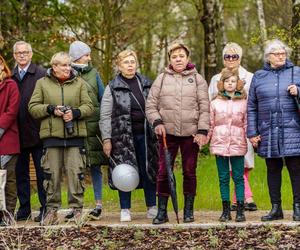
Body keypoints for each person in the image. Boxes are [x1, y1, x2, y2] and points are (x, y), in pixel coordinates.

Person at [146, 43, 210, 224]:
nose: (178, 59)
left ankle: (188, 211)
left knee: (189, 171)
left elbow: (205, 108)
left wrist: (202, 131)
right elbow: (150, 105)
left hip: (191, 134)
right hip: (168, 134)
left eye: (181, 56)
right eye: (174, 57)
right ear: (170, 60)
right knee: (163, 172)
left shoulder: (198, 79)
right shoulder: (161, 79)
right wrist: (157, 121)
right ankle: (162, 211)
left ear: (188, 58)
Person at [28, 52, 94, 225]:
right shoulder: (41, 83)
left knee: (76, 174)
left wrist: (75, 113)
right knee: (51, 176)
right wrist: (51, 109)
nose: (68, 68)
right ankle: (51, 211)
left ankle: (77, 210)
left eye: (69, 65)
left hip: (75, 138)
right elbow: (33, 107)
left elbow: (89, 106)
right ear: (54, 66)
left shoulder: (79, 83)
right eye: (63, 65)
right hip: (51, 138)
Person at [100, 49, 158, 222]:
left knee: (148, 169)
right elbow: (104, 115)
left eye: (132, 61)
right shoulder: (112, 86)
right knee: (124, 171)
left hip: (147, 136)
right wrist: (106, 139)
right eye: (126, 62)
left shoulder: (147, 83)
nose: (130, 65)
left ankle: (152, 205)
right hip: (122, 137)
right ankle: (125, 208)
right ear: (119, 65)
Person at [247, 39, 300, 222]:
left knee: (296, 169)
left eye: (283, 53)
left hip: (293, 129)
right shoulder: (259, 76)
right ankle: (275, 208)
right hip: (268, 130)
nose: (281, 56)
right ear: (268, 57)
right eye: (276, 53)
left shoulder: (296, 72)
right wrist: (252, 133)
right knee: (273, 169)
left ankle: (298, 208)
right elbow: (252, 106)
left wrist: (298, 91)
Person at [208, 42, 257, 212]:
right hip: (223, 127)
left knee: (243, 163)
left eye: (234, 56)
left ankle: (239, 199)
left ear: (240, 58)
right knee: (229, 165)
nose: (230, 59)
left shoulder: (250, 77)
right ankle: (244, 198)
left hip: (243, 125)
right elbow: (211, 100)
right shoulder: (216, 78)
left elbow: (254, 101)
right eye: (227, 56)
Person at [69, 41, 107, 221]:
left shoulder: (94, 73)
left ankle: (98, 204)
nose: (89, 58)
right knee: (76, 168)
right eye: (86, 55)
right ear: (77, 56)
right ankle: (77, 206)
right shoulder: (67, 74)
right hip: (74, 128)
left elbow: (104, 97)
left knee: (95, 166)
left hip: (94, 128)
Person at [12, 41, 46, 222]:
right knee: (20, 174)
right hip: (16, 134)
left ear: (31, 54)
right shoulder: (9, 76)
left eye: (25, 52)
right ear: (14, 56)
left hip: (38, 133)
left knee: (42, 174)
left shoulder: (41, 74)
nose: (22, 55)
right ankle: (24, 209)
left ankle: (44, 208)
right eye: (18, 53)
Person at [207, 68, 247, 222]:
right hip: (220, 144)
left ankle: (240, 210)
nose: (230, 84)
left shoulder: (244, 102)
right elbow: (210, 124)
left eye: (233, 81)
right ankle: (225, 210)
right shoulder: (215, 103)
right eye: (227, 81)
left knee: (238, 177)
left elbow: (247, 123)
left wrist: (252, 139)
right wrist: (204, 139)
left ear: (238, 84)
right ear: (222, 84)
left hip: (237, 143)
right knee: (223, 178)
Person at [0, 55, 20, 226]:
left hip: (8, 138)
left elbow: (12, 110)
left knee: (9, 179)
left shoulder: (10, 84)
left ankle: (8, 214)